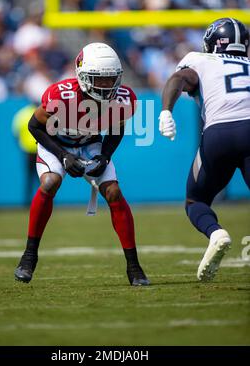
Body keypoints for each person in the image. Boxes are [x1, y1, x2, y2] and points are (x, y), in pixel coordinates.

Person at [14, 42, 150, 286]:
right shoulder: (61, 95)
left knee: (114, 191)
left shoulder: (124, 98)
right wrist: (64, 156)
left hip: (90, 143)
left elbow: (117, 130)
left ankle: (134, 267)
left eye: (111, 79)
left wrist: (105, 156)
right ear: (84, 77)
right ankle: (29, 256)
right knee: (50, 183)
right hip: (55, 142)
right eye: (100, 79)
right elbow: (34, 126)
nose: (107, 85)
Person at [159, 18, 250, 281]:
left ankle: (216, 232)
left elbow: (179, 79)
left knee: (195, 200)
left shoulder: (200, 60)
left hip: (219, 134)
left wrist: (166, 111)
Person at [12, 103, 39, 206]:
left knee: (29, 178)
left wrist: (21, 145)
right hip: (40, 150)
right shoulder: (40, 112)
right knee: (43, 178)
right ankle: (43, 202)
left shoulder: (22, 114)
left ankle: (27, 202)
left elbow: (16, 133)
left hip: (27, 151)